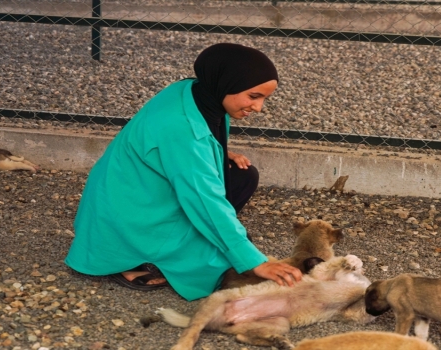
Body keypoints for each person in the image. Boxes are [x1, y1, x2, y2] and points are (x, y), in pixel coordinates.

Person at [65, 43, 303, 301]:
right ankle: (137, 260)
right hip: (129, 217)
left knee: (242, 175)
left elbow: (185, 149)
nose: (259, 108)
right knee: (216, 263)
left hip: (134, 195)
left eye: (264, 98)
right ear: (226, 83)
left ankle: (208, 241)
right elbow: (204, 199)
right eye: (254, 96)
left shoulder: (192, 91)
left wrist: (217, 153)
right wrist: (255, 262)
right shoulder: (184, 131)